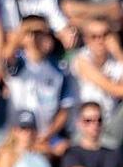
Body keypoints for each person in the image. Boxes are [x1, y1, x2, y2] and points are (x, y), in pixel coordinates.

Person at [5, 16, 77, 147]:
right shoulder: (17, 62)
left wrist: (46, 136)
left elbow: (64, 109)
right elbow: (4, 58)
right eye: (36, 34)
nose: (41, 38)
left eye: (45, 34)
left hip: (46, 137)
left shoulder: (60, 69)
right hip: (16, 136)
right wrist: (26, 29)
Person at [70, 19, 123, 148]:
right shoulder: (81, 59)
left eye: (105, 35)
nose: (100, 40)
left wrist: (118, 53)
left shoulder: (115, 61)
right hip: (85, 128)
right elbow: (115, 90)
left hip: (110, 124)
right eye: (94, 36)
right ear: (86, 39)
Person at [61, 102, 123, 167]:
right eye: (88, 120)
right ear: (79, 123)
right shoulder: (72, 153)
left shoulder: (114, 153)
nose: (95, 124)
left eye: (99, 120)